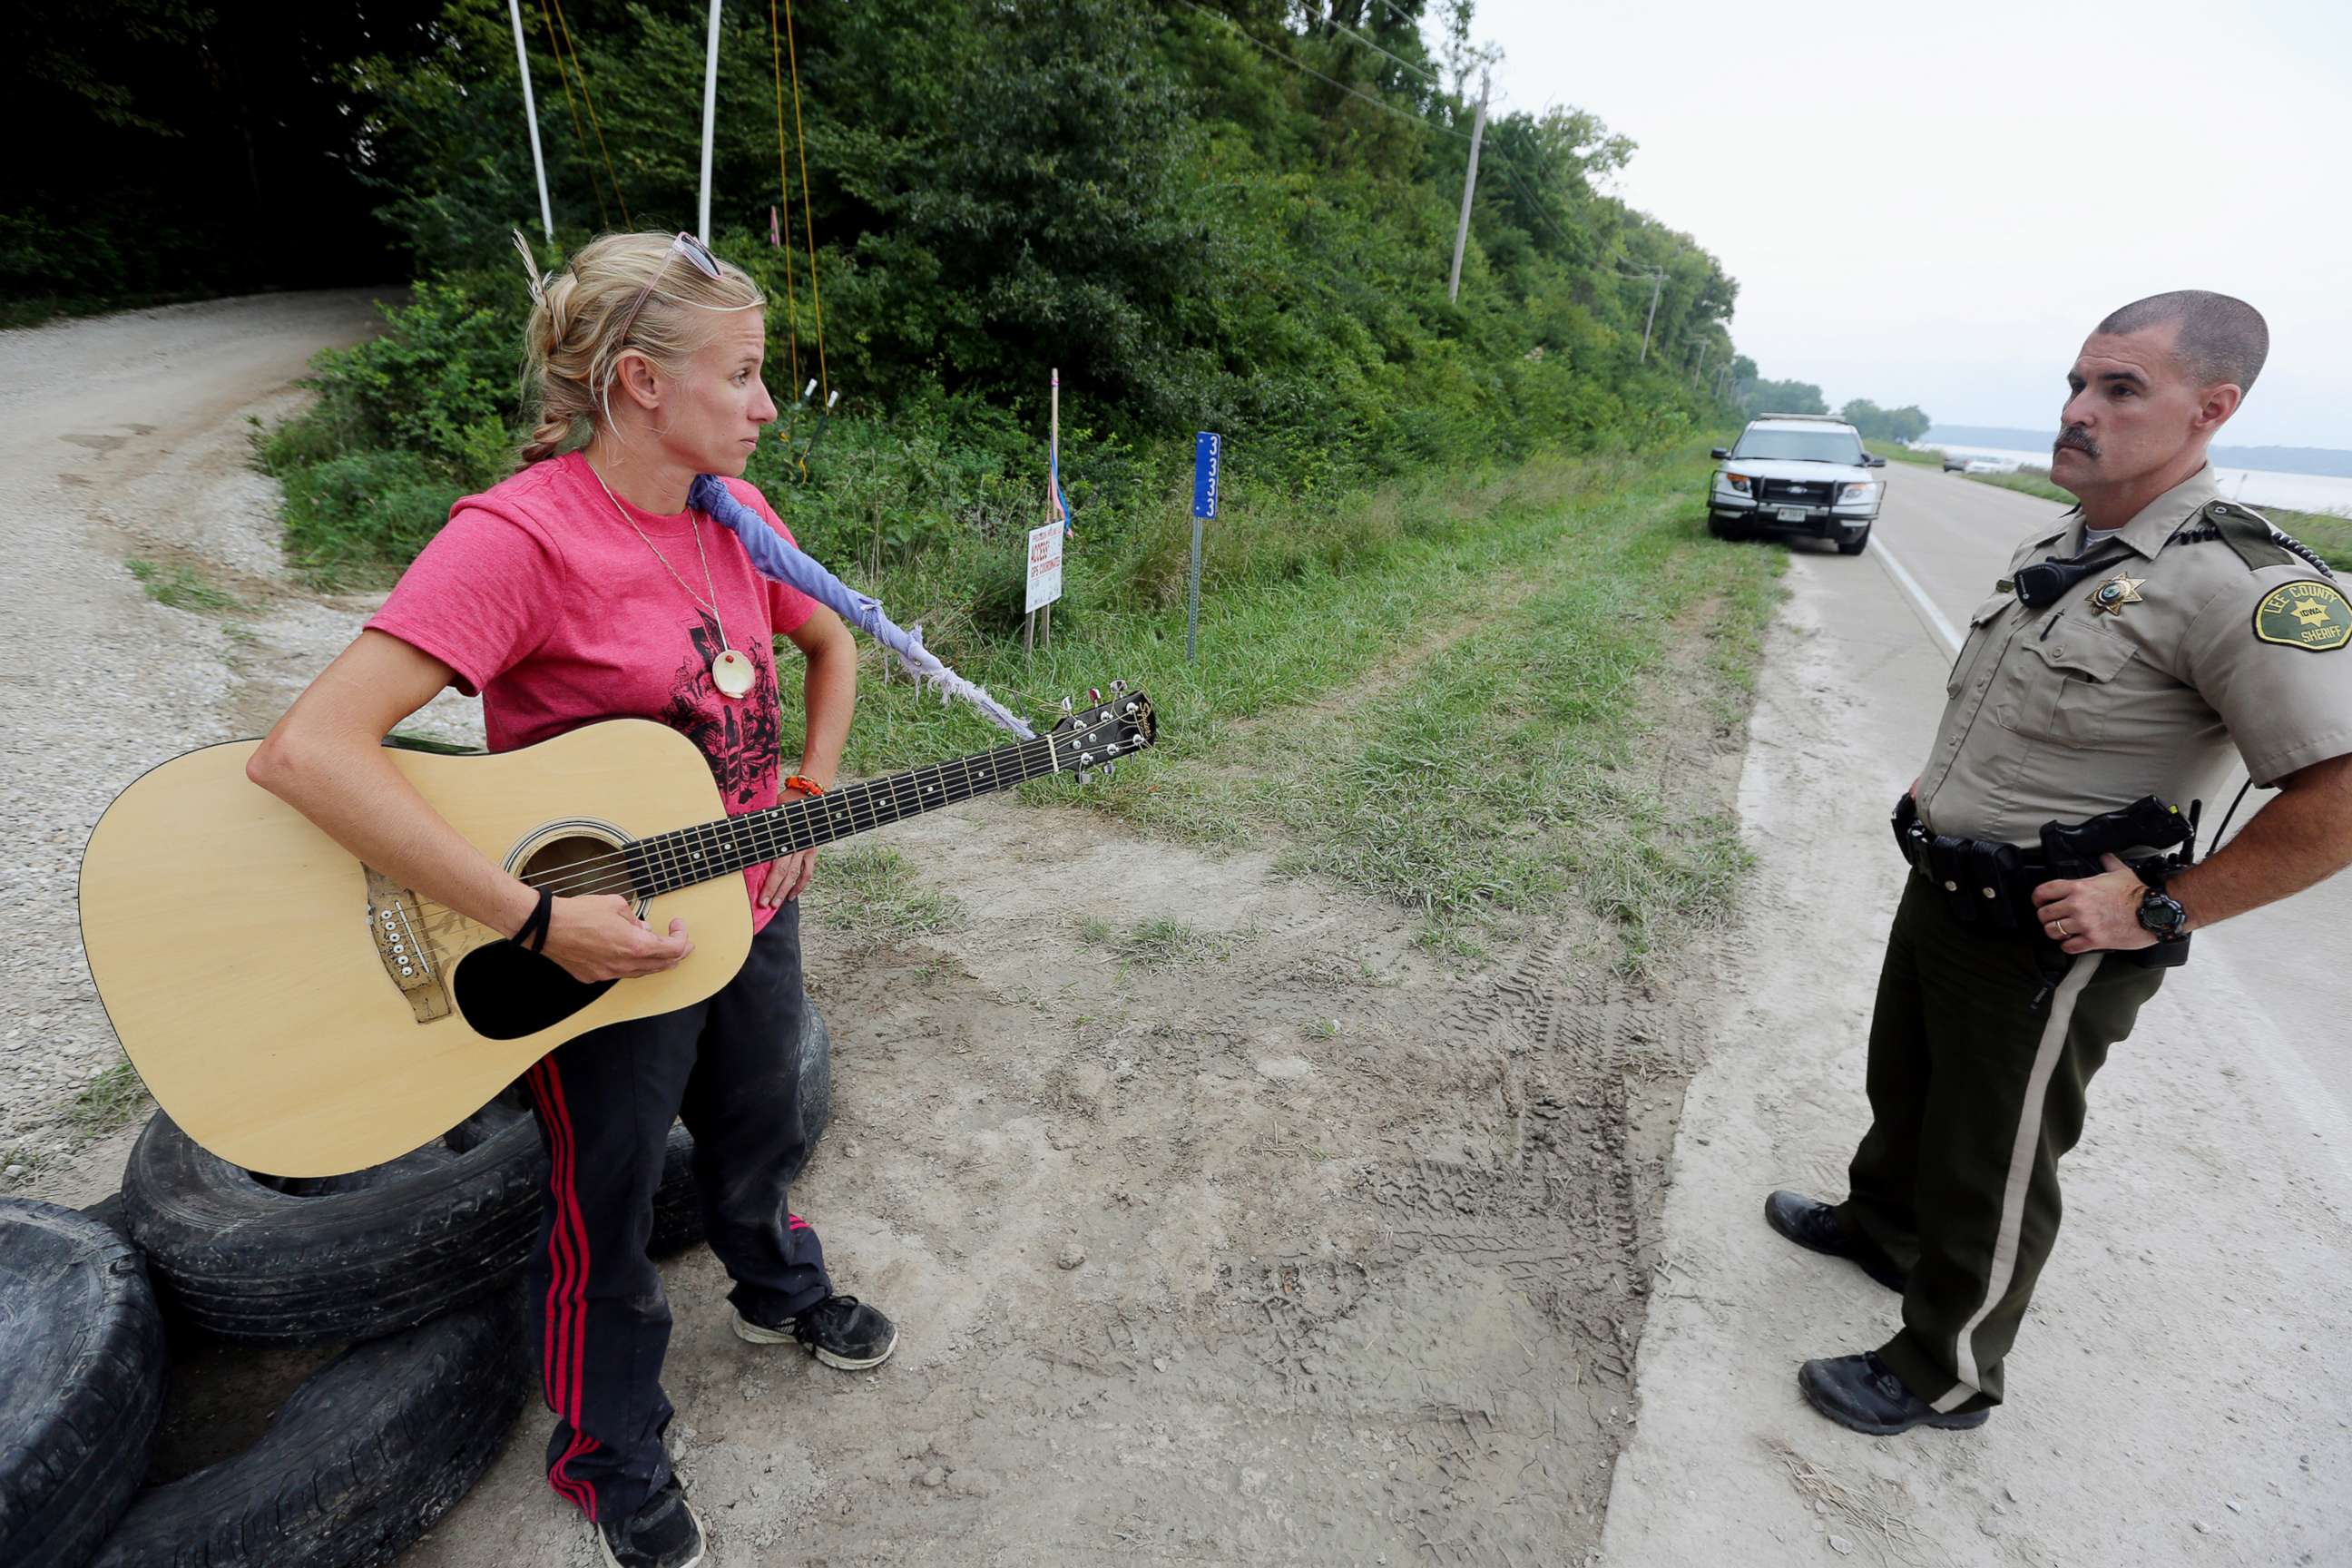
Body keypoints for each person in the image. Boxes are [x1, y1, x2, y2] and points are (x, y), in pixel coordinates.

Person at [246, 230, 892, 1568]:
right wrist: (539, 920)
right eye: (745, 376)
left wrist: (812, 790)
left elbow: (827, 637)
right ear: (642, 383)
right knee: (604, 1204)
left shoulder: (735, 511)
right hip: (589, 945)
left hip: (748, 909)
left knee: (764, 1122)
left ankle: (777, 1291)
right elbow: (308, 751)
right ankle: (605, 1446)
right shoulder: (519, 537)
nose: (768, 408)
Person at [1766, 290, 2352, 1436]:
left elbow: (2337, 797)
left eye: (2121, 389)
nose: (2080, 410)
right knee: (1912, 1089)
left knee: (1998, 1151)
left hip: (2055, 929)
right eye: (2077, 383)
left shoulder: (2242, 583)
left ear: (2213, 409)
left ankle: (1947, 1368)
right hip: (1946, 882)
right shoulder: (2069, 542)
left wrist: (2164, 910)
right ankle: (1887, 1236)